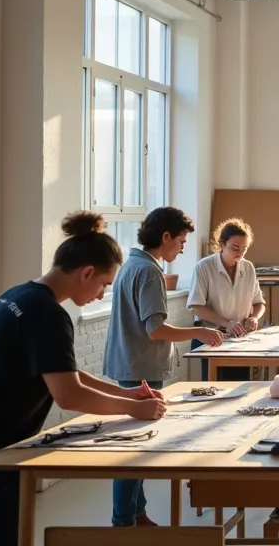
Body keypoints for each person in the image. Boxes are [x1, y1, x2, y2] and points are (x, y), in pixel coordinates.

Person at [0, 212, 167, 545]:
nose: (101, 295)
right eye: (104, 284)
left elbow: (63, 372)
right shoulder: (49, 316)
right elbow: (69, 395)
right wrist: (133, 411)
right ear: (87, 273)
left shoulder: (19, 296)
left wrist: (126, 396)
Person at [103, 207, 223, 527]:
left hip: (129, 363)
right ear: (166, 236)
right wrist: (199, 330)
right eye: (181, 240)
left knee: (138, 444)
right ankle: (123, 522)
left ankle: (136, 513)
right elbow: (155, 329)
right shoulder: (150, 271)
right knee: (133, 451)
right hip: (139, 367)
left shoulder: (134, 264)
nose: (183, 247)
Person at [186, 218, 266, 381]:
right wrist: (227, 323)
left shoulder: (248, 267)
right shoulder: (204, 267)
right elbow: (196, 307)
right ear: (221, 244)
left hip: (239, 339)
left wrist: (254, 317)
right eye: (235, 248)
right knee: (213, 390)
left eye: (244, 249)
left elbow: (259, 303)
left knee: (237, 389)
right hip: (211, 337)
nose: (240, 254)